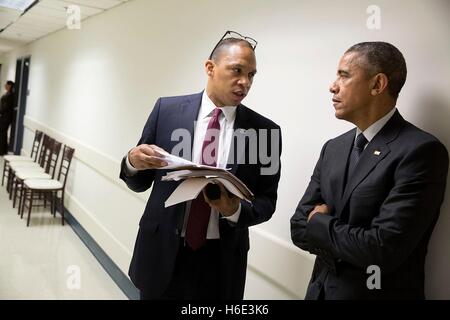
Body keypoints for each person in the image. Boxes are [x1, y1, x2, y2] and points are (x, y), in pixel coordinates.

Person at [120, 31, 282, 300]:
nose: (245, 82)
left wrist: (234, 210)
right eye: (237, 71)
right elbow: (139, 182)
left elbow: (267, 201)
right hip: (161, 254)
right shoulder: (167, 110)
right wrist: (133, 162)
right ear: (210, 67)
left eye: (252, 75)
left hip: (220, 262)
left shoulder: (264, 131)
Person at [290, 42, 449, 299]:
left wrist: (319, 223)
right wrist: (345, 238)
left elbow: (381, 250)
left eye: (344, 75)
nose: (332, 86)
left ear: (377, 85)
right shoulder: (333, 148)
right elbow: (298, 227)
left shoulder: (421, 152)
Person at [0, 81, 15, 155]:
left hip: (6, 118)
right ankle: (3, 149)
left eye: (6, 84)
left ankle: (2, 150)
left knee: (2, 134)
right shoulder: (7, 94)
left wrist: (0, 111)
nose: (5, 85)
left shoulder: (10, 95)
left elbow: (5, 107)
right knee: (3, 133)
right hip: (3, 117)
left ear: (10, 86)